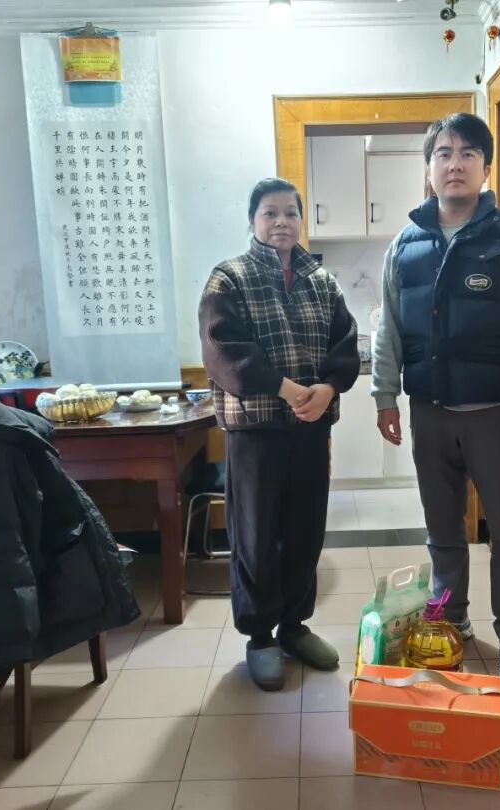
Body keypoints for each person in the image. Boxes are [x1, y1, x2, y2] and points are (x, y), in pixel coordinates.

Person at [371, 113, 500, 687]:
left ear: (485, 167)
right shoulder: (405, 245)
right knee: (443, 530)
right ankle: (451, 622)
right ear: (429, 168)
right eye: (444, 153)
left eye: (468, 153)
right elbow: (387, 328)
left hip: (495, 416)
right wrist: (384, 395)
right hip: (429, 413)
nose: (455, 164)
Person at [199, 177, 360, 691]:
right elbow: (224, 350)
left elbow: (345, 345)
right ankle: (259, 636)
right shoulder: (229, 278)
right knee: (256, 535)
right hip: (256, 433)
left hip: (310, 430)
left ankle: (294, 626)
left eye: (291, 213)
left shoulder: (321, 282)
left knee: (306, 531)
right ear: (253, 221)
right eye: (270, 213)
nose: (282, 222)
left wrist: (328, 389)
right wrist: (288, 389)